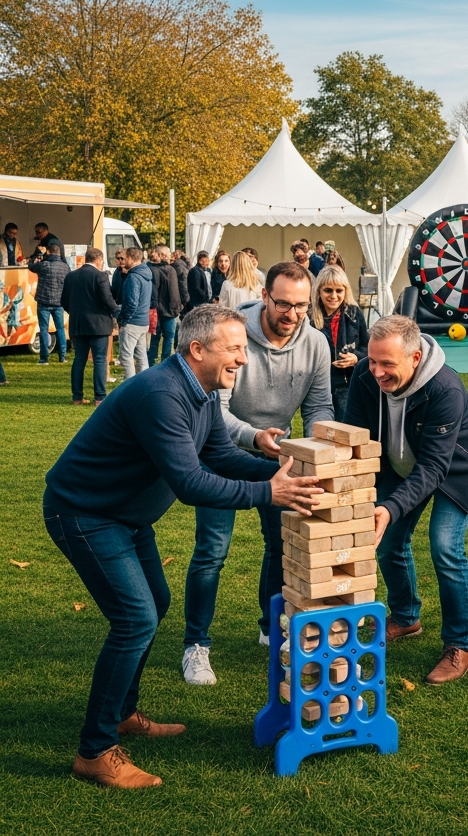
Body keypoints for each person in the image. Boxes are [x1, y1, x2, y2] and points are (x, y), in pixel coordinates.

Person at [43, 304, 322, 788]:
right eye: (234, 349)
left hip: (123, 516)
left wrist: (282, 474)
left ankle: (124, 713)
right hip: (84, 513)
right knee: (135, 619)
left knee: (156, 602)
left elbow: (218, 454)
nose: (242, 359)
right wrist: (270, 492)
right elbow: (193, 482)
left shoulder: (205, 392)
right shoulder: (161, 394)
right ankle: (95, 750)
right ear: (197, 349)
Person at [182, 261, 333, 682]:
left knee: (280, 547)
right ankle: (197, 645)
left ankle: (272, 628)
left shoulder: (316, 343)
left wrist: (315, 450)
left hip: (277, 456)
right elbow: (217, 408)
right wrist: (254, 437)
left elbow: (319, 406)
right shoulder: (231, 334)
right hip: (219, 451)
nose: (292, 314)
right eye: (283, 303)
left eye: (302, 305)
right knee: (212, 549)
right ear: (265, 296)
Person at [345, 315, 468, 684]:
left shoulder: (446, 389)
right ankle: (407, 617)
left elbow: (432, 468)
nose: (376, 371)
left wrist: (389, 507)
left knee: (445, 546)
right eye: (372, 360)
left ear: (414, 357)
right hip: (398, 460)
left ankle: (460, 646)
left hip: (456, 467)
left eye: (387, 364)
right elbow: (354, 438)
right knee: (388, 542)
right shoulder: (365, 375)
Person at [60, 248, 118, 405]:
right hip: (98, 323)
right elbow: (107, 299)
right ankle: (99, 397)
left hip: (78, 323)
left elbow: (64, 301)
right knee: (100, 359)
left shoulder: (71, 276)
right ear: (99, 260)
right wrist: (116, 311)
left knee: (79, 359)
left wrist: (75, 312)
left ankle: (77, 397)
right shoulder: (100, 276)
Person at [311, 264, 369, 421]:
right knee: (319, 433)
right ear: (319, 291)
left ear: (345, 291)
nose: (334, 296)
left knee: (346, 430)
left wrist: (356, 358)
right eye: (328, 290)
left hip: (347, 383)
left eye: (339, 290)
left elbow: (368, 347)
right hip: (318, 386)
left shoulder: (355, 313)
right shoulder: (309, 317)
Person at [29, 239, 70, 364]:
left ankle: (44, 358)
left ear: (48, 251)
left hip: (43, 302)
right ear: (59, 253)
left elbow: (31, 266)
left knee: (43, 329)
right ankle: (62, 356)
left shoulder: (44, 265)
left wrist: (37, 256)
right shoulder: (65, 267)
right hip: (58, 302)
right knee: (60, 329)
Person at [117, 248, 152, 378]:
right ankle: (144, 384)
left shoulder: (133, 277)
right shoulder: (147, 274)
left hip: (132, 322)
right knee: (142, 356)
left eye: (125, 258)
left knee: (126, 356)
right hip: (143, 320)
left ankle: (129, 387)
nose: (123, 261)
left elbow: (131, 302)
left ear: (132, 259)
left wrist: (122, 319)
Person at [148, 246, 182, 364]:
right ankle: (165, 362)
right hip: (170, 310)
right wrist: (177, 308)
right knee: (168, 337)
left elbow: (155, 292)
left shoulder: (152, 270)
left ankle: (151, 361)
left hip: (158, 309)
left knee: (156, 337)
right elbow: (174, 292)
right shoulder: (171, 270)